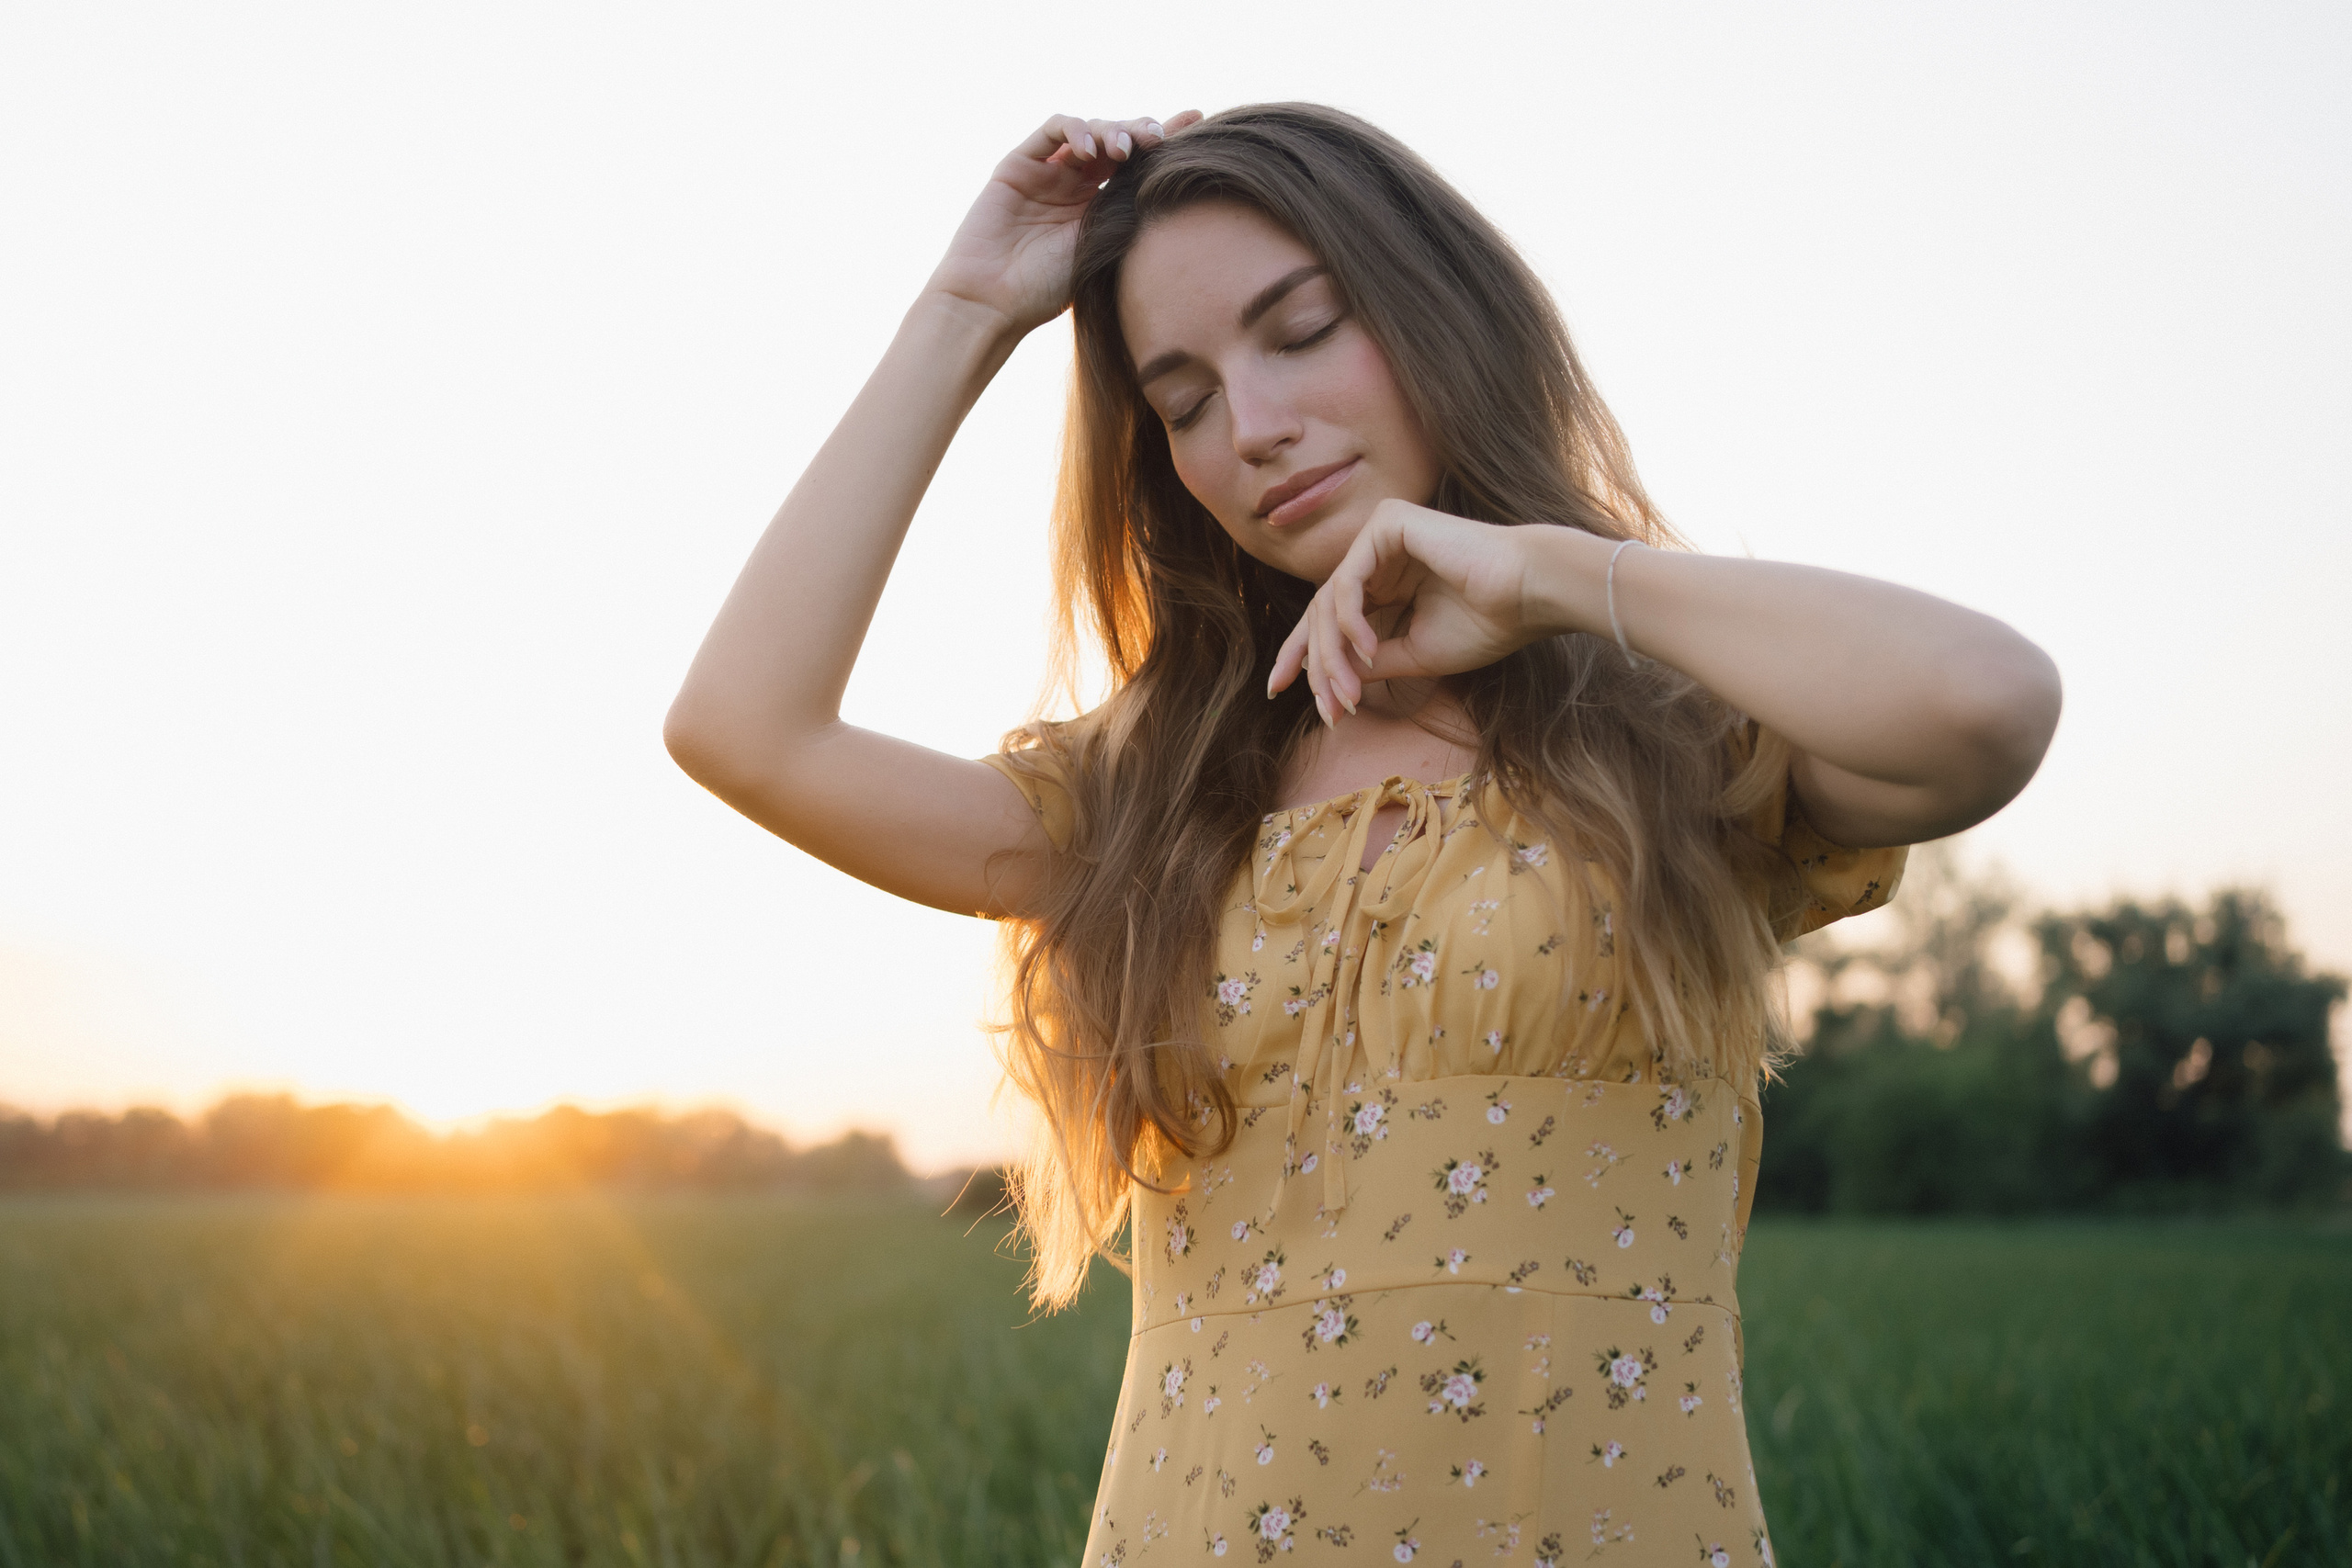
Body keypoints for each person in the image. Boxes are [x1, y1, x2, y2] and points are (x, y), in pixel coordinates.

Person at [664, 103, 2060, 1566]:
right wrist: (966, 313)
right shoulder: (1143, 796)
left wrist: (1550, 576)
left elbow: (1987, 703)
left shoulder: (1673, 730)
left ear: (1438, 314)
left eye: (1302, 330)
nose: (1252, 426)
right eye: (1184, 401)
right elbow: (743, 729)